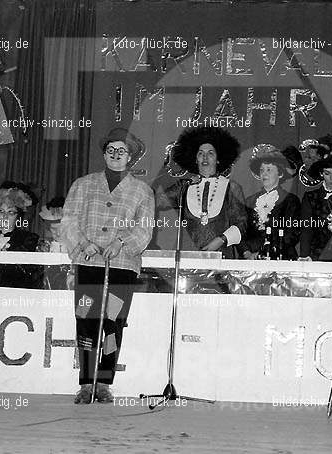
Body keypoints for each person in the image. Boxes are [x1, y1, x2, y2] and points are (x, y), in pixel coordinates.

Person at [61, 127, 154, 404]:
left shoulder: (142, 191)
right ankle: (86, 382)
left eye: (121, 151)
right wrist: (82, 244)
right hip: (88, 263)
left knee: (113, 323)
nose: (115, 155)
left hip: (122, 267)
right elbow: (69, 220)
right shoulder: (83, 184)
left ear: (130, 157)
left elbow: (144, 229)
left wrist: (122, 243)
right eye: (111, 150)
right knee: (86, 321)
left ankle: (104, 381)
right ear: (104, 153)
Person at [162, 126, 247, 258]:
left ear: (218, 159)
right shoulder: (184, 186)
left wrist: (220, 240)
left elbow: (241, 224)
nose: (205, 157)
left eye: (210, 153)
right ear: (195, 159)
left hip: (221, 257)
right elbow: (156, 201)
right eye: (200, 153)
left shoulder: (231, 187)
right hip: (188, 258)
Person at [240, 144, 301, 260]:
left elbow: (290, 235)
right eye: (262, 170)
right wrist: (246, 253)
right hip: (251, 259)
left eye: (269, 170)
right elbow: (241, 231)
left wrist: (264, 252)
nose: (264, 174)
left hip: (280, 258)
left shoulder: (290, 200)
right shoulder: (250, 200)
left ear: (280, 173)